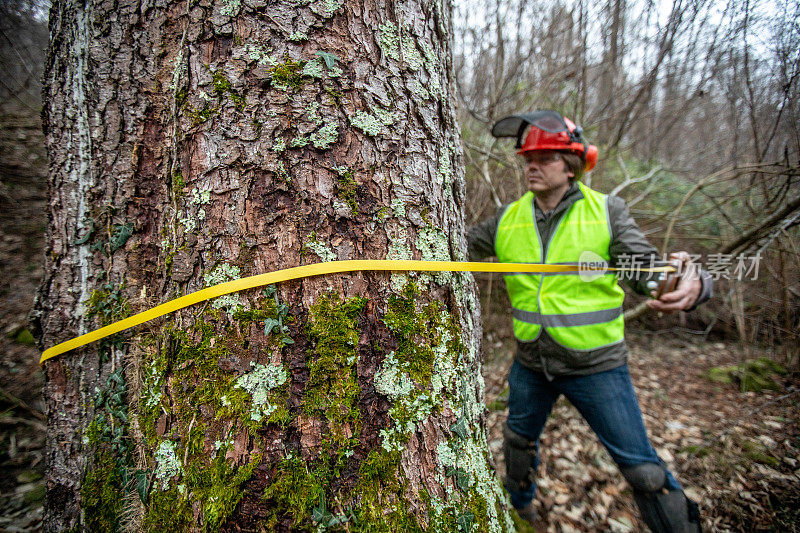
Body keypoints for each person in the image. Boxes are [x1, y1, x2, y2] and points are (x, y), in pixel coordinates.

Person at [467, 111, 711, 532]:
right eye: (528, 157)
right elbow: (448, 246)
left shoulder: (606, 212)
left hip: (596, 367)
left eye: (545, 157)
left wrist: (694, 281)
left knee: (641, 471)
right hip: (531, 363)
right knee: (518, 442)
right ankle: (519, 511)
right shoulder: (507, 218)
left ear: (572, 163)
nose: (532, 165)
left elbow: (649, 271)